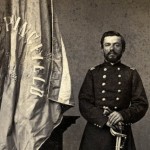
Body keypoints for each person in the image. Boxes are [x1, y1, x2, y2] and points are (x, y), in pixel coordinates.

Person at [78, 31, 149, 150]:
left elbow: (141, 104)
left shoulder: (131, 73)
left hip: (121, 131)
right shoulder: (93, 73)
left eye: (116, 45)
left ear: (123, 48)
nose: (112, 49)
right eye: (107, 45)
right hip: (96, 134)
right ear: (102, 48)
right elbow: (84, 103)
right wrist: (104, 120)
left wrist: (122, 115)